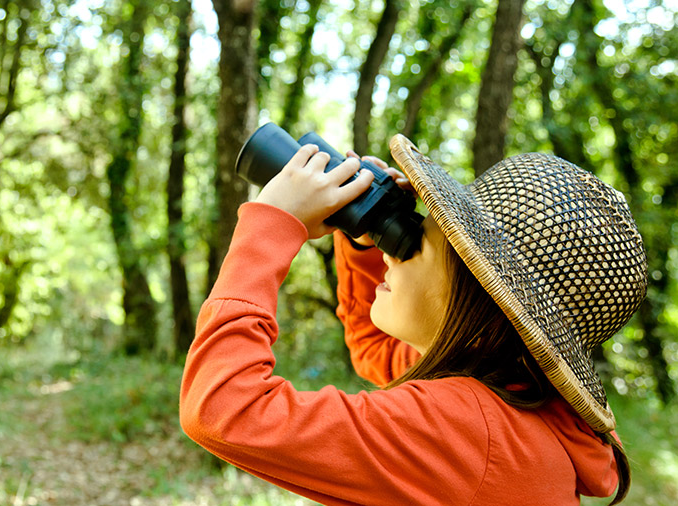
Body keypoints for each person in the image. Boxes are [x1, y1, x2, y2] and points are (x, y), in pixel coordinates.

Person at [179, 133, 648, 505]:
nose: (395, 254)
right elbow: (375, 349)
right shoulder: (517, 402)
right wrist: (364, 240)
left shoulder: (467, 431)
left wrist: (274, 222)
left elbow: (225, 409)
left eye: (424, 241)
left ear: (484, 295)